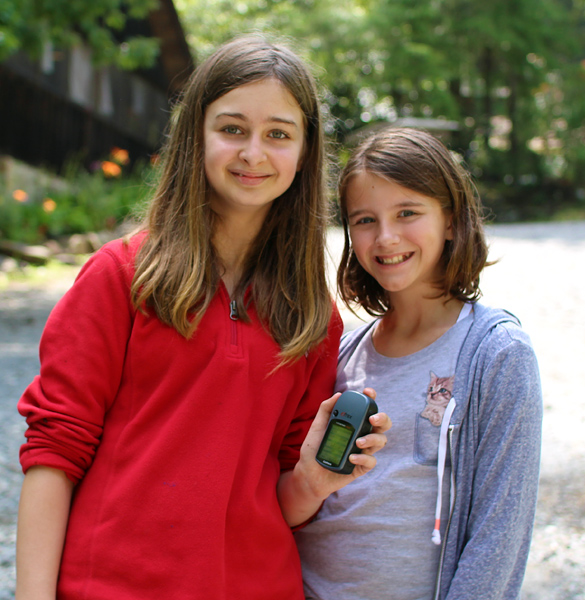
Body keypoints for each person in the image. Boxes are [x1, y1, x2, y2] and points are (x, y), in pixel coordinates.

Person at [15, 36, 390, 600]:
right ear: (196, 135)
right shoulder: (120, 276)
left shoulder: (313, 315)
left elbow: (285, 498)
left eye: (279, 134)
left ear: (306, 152)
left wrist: (315, 479)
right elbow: (53, 455)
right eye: (232, 129)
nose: (253, 153)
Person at [295, 127, 543, 600]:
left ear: (451, 220)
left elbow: (499, 537)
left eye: (407, 213)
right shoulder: (344, 351)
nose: (386, 237)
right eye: (364, 220)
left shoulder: (497, 354)